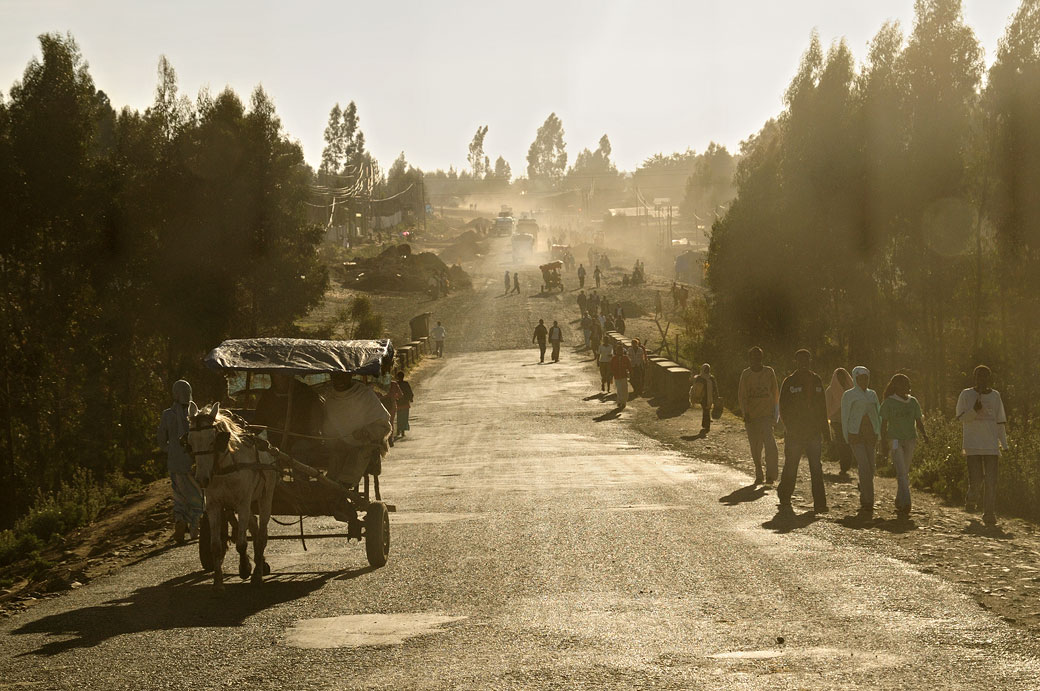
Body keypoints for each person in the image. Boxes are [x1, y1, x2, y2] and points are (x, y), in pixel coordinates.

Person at [777, 349, 830, 514]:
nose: (803, 363)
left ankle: (820, 504)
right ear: (796, 361)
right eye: (800, 360)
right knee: (791, 466)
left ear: (810, 361)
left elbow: (822, 407)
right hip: (795, 434)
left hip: (813, 433)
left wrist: (826, 432)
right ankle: (785, 497)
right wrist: (789, 427)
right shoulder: (789, 382)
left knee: (816, 468)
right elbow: (783, 407)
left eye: (806, 360)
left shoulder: (816, 380)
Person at [318, 372, 393, 487]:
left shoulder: (364, 394)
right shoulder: (331, 400)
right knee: (337, 454)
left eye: (343, 376)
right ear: (331, 377)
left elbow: (384, 426)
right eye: (335, 377)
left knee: (359, 453)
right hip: (342, 445)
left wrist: (366, 431)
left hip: (366, 443)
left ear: (351, 375)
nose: (340, 380)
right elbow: (329, 429)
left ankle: (345, 485)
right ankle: (330, 485)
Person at [956, 365, 1008, 526]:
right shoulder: (966, 394)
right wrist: (974, 410)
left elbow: (1000, 421)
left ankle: (989, 513)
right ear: (974, 377)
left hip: (991, 445)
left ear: (989, 378)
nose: (982, 379)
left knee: (992, 481)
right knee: (976, 480)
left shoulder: (995, 396)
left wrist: (1004, 445)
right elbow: (960, 418)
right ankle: (971, 498)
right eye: (979, 376)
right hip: (972, 445)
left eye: (985, 376)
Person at [157, 379, 204, 544]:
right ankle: (195, 526)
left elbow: (161, 440)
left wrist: (170, 451)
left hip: (175, 463)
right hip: (193, 463)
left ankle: (180, 520)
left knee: (179, 494)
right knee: (196, 494)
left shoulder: (167, 414)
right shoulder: (196, 415)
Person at [879, 373, 928, 518]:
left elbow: (918, 420)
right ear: (896, 386)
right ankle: (907, 502)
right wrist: (883, 442)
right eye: (903, 384)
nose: (907, 387)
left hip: (910, 439)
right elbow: (883, 423)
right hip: (894, 440)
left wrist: (924, 435)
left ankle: (899, 500)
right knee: (901, 470)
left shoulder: (913, 402)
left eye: (908, 384)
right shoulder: (888, 402)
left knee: (904, 472)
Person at [841, 366, 881, 515]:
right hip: (855, 433)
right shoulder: (849, 395)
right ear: (855, 379)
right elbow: (845, 416)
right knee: (864, 465)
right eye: (861, 378)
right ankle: (868, 501)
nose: (864, 381)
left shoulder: (872, 395)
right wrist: (847, 436)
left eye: (866, 378)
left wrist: (879, 433)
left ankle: (864, 489)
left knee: (871, 466)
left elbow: (878, 414)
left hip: (870, 433)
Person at [737, 346, 780, 485]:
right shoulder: (746, 374)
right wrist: (745, 412)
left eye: (758, 357)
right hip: (752, 417)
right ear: (749, 359)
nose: (756, 360)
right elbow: (742, 395)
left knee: (770, 446)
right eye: (753, 357)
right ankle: (758, 472)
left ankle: (770, 475)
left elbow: (775, 393)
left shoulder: (769, 372)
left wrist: (776, 413)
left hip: (767, 416)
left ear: (762, 358)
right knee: (756, 447)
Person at [254, 373, 323, 452]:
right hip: (275, 444)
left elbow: (316, 421)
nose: (280, 379)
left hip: (302, 442)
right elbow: (258, 421)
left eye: (283, 375)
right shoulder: (268, 397)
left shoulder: (305, 393)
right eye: (276, 375)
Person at [826, 368, 855, 477]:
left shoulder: (852, 391)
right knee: (842, 441)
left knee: (849, 442)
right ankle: (844, 465)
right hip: (837, 421)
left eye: (843, 376)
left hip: (850, 420)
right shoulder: (830, 391)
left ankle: (846, 463)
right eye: (839, 377)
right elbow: (827, 406)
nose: (841, 379)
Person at [690, 364, 720, 434]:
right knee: (706, 410)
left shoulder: (708, 378)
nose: (707, 371)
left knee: (706, 410)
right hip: (703, 397)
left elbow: (715, 387)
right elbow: (695, 387)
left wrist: (716, 396)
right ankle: (706, 425)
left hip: (708, 397)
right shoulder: (704, 378)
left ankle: (705, 425)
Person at [611, 344, 632, 409]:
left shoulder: (625, 358)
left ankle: (624, 402)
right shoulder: (614, 358)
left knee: (625, 389)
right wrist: (611, 375)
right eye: (618, 350)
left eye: (620, 350)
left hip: (624, 375)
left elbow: (629, 367)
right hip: (617, 376)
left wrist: (630, 373)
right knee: (619, 389)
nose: (619, 352)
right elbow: (611, 368)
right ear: (616, 351)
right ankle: (620, 402)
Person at [394, 370, 414, 439]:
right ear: (403, 377)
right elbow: (410, 392)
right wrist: (411, 398)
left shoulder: (396, 384)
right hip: (405, 403)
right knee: (404, 417)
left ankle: (398, 430)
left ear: (397, 377)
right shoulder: (406, 384)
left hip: (398, 403)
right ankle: (402, 431)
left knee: (399, 417)